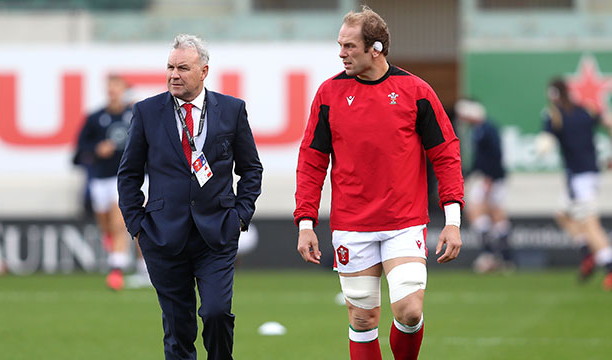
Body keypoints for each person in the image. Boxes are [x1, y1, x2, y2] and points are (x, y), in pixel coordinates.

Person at [294, 6, 464, 360]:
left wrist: (453, 221)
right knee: (362, 319)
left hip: (404, 222)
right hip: (352, 226)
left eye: (349, 46)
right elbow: (311, 161)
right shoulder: (329, 94)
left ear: (376, 48)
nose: (341, 53)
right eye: (339, 45)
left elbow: (445, 154)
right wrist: (306, 223)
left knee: (410, 312)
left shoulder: (415, 90)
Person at [117, 34, 262, 359]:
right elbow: (128, 174)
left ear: (203, 71)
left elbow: (251, 169)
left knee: (215, 313)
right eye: (170, 67)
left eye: (183, 68)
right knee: (178, 329)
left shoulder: (231, 110)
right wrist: (137, 225)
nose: (174, 75)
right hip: (163, 236)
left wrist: (240, 214)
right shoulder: (146, 112)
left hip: (217, 233)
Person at [74, 74, 149, 290]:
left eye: (117, 88)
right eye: (110, 88)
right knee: (107, 226)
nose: (113, 92)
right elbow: (79, 150)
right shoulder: (95, 118)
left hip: (129, 178)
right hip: (102, 179)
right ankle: (124, 259)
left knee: (122, 221)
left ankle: (118, 268)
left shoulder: (136, 115)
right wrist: (97, 149)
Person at [537, 77, 612, 290]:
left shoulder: (554, 115)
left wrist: (544, 143)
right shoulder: (585, 110)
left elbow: (545, 142)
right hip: (585, 175)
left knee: (590, 224)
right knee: (562, 214)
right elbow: (608, 122)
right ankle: (587, 253)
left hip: (581, 178)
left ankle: (609, 266)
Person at [455, 98, 514, 273]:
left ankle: (494, 255)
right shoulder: (479, 130)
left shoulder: (487, 130)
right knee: (493, 216)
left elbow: (495, 154)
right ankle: (500, 257)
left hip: (491, 178)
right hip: (488, 176)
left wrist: (489, 178)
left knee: (483, 212)